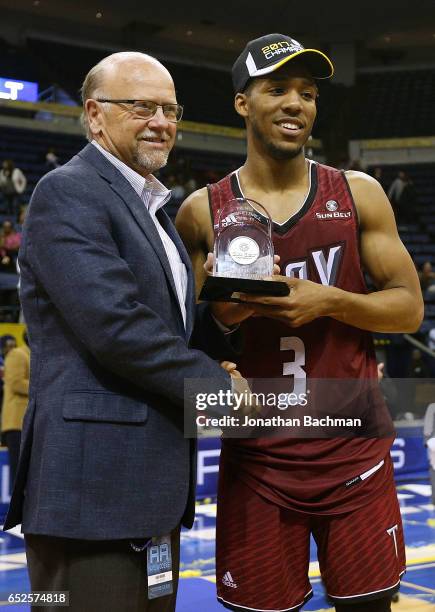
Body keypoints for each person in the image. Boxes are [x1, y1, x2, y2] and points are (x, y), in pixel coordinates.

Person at [176, 33, 423, 612]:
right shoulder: (200, 211)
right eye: (277, 89)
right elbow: (188, 338)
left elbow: (409, 306)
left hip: (354, 459)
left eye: (308, 93)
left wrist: (329, 302)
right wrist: (227, 317)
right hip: (256, 464)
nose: (296, 104)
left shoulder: (357, 194)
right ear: (242, 102)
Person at [3, 51, 240, 612]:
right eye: (141, 106)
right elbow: (116, 327)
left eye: (170, 108)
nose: (161, 121)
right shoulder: (68, 191)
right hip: (93, 496)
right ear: (94, 115)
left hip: (147, 495)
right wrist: (217, 387)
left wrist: (224, 319)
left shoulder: (155, 211)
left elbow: (162, 327)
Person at [1, 333, 30, 491]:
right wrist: (43, 386)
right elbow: (16, 383)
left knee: (26, 472)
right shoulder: (17, 354)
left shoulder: (32, 356)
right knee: (19, 473)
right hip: (16, 422)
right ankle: (17, 513)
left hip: (27, 422)